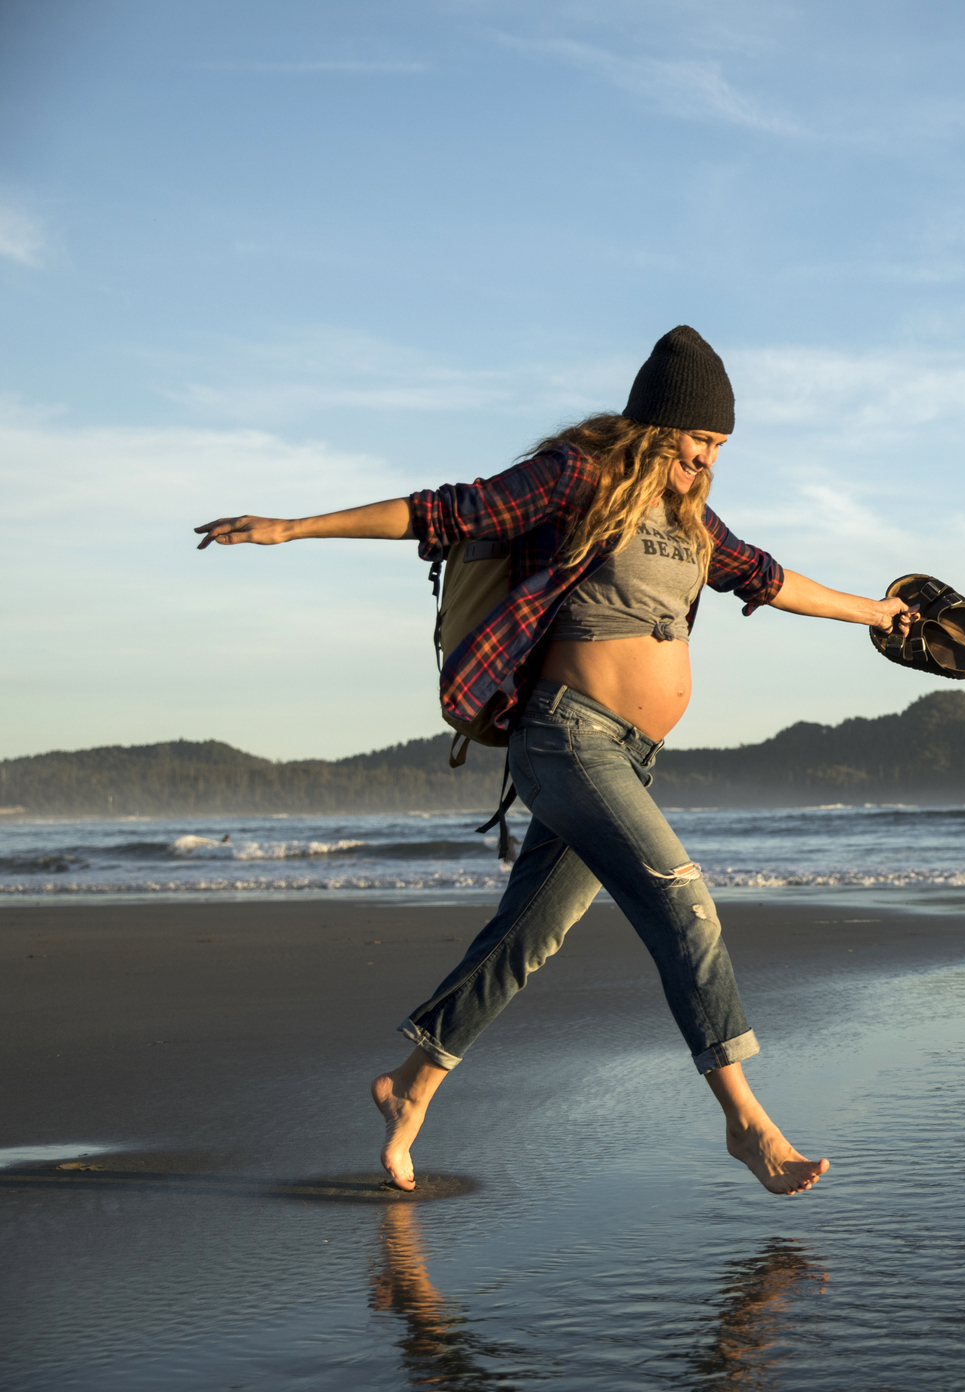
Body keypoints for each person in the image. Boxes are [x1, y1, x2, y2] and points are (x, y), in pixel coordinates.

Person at [193, 326, 910, 1196]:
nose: (709, 457)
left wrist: (875, 615)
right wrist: (294, 528)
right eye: (699, 439)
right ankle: (746, 1124)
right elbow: (445, 510)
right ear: (654, 426)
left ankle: (409, 1088)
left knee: (529, 936)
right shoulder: (578, 477)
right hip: (562, 737)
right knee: (683, 903)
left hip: (627, 758)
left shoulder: (693, 520)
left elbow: (766, 577)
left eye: (721, 445)